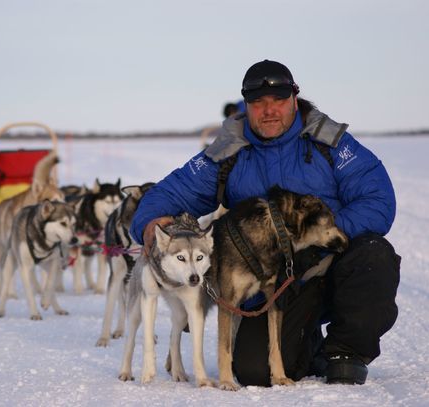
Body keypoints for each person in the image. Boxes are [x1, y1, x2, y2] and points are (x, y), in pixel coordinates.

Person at [130, 59, 401, 386]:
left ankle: (346, 351)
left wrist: (313, 240)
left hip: (329, 261)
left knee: (373, 254)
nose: (269, 110)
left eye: (279, 101)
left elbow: (378, 200)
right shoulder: (229, 150)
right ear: (246, 105)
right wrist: (150, 222)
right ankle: (306, 344)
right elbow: (173, 191)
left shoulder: (329, 142)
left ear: (295, 99)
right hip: (273, 282)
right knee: (254, 372)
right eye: (258, 102)